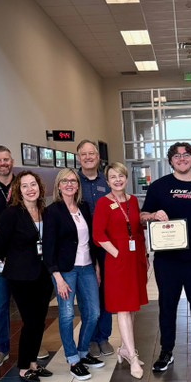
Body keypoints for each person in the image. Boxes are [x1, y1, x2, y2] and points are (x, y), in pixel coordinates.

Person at [139, 142, 191, 373]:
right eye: (177, 155)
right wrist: (153, 215)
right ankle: (166, 351)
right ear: (170, 159)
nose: (182, 158)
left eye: (186, 155)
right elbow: (141, 217)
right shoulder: (158, 187)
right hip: (168, 261)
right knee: (167, 306)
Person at [0, 171, 56, 382]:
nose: (30, 189)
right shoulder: (12, 214)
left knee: (40, 322)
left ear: (39, 187)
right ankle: (22, 367)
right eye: (25, 186)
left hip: (42, 275)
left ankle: (33, 364)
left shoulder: (44, 212)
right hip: (21, 277)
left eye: (33, 184)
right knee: (30, 322)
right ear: (19, 191)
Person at [42, 169, 102, 381]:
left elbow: (89, 240)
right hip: (65, 271)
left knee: (93, 312)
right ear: (58, 185)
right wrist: (57, 277)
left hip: (86, 267)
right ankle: (72, 359)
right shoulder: (52, 211)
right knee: (67, 315)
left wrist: (96, 266)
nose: (69, 184)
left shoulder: (84, 207)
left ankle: (83, 352)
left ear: (78, 185)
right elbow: (48, 249)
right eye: (65, 181)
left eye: (73, 181)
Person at [92, 162, 149, 379]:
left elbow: (135, 228)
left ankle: (125, 348)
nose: (118, 180)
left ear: (126, 178)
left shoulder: (133, 200)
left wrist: (142, 255)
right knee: (124, 307)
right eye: (113, 177)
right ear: (107, 181)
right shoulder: (103, 203)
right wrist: (116, 253)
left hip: (135, 257)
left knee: (132, 306)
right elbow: (98, 233)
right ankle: (132, 356)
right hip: (117, 259)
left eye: (121, 176)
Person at [76, 139, 114, 359]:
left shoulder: (107, 181)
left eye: (92, 153)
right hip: (81, 246)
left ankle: (103, 337)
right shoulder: (73, 180)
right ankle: (90, 338)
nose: (88, 157)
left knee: (106, 292)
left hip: (105, 244)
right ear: (79, 157)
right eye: (84, 154)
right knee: (87, 294)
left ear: (98, 157)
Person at [0, 145, 15, 364]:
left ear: (12, 161)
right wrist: (1, 238)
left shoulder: (23, 184)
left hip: (24, 253)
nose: (2, 163)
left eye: (5, 159)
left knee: (28, 302)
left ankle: (34, 343)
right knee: (0, 302)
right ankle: (1, 347)